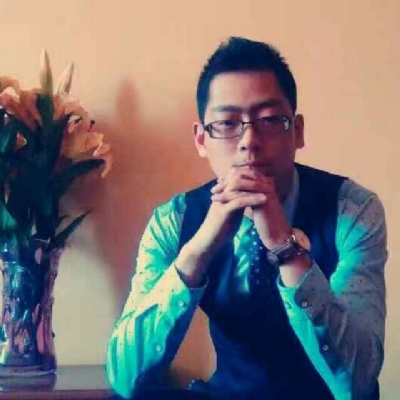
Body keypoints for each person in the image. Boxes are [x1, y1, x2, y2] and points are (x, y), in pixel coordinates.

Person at [106, 37, 387, 400]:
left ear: (297, 131)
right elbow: (126, 377)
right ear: (201, 139)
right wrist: (199, 250)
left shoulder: (352, 209)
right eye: (227, 123)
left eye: (269, 120)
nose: (249, 141)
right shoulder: (174, 220)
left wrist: (285, 247)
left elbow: (358, 381)